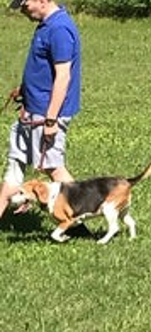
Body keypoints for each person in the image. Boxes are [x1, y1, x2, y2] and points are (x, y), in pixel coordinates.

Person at [0, 0, 83, 227]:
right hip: (32, 108)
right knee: (15, 163)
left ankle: (79, 218)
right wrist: (25, 88)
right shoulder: (46, 25)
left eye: (26, 6)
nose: (24, 12)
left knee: (52, 167)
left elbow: (63, 76)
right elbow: (42, 68)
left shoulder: (59, 29)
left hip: (46, 113)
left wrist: (51, 119)